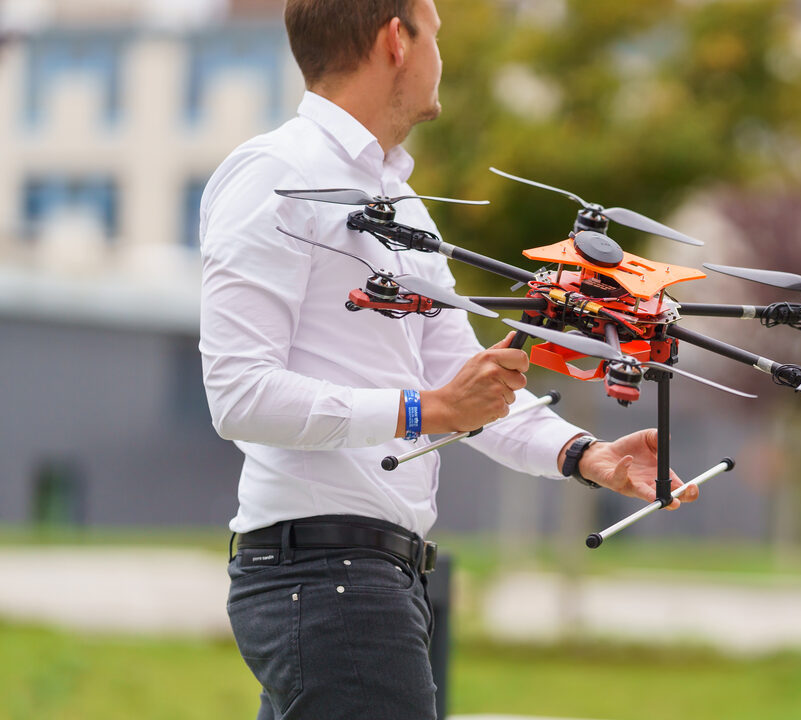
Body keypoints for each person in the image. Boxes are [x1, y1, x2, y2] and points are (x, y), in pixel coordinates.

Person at [198, 1, 696, 717]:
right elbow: (239, 396)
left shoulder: (399, 203)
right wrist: (425, 411)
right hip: (326, 581)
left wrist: (587, 454)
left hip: (370, 582)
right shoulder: (276, 173)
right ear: (396, 40)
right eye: (435, 35)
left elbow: (468, 390)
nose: (441, 56)